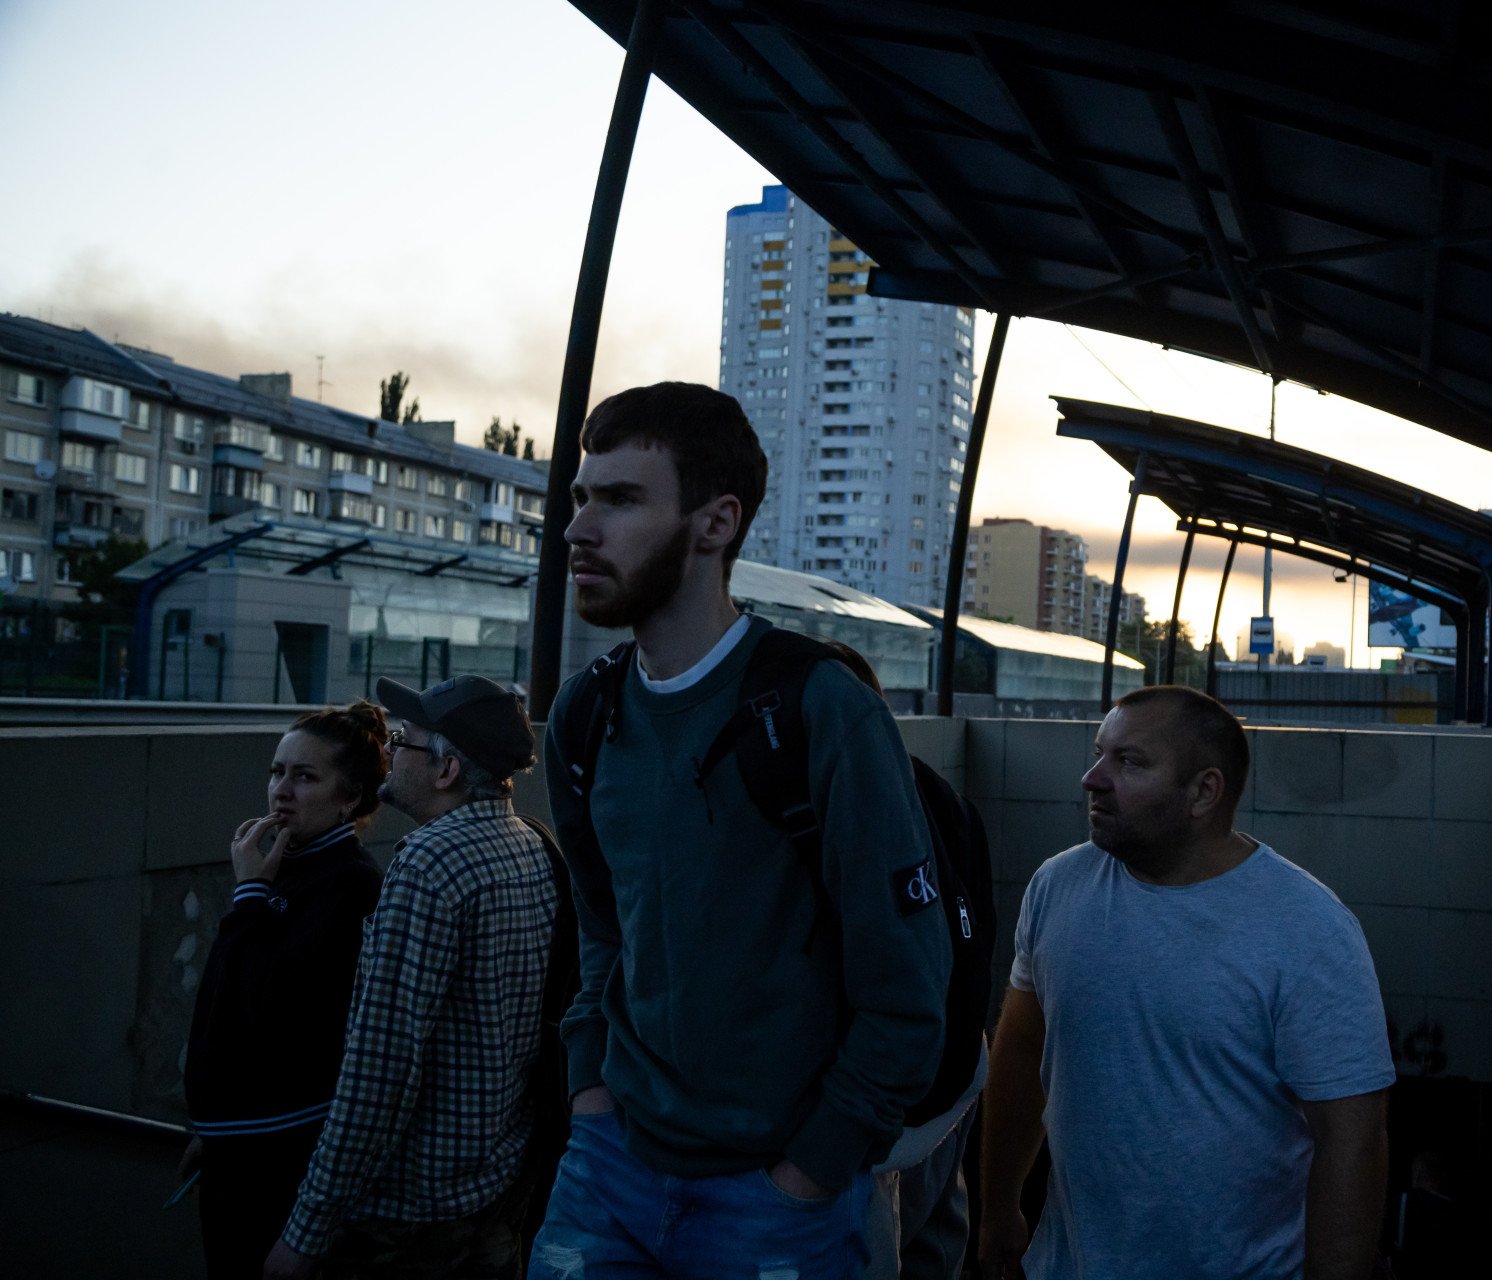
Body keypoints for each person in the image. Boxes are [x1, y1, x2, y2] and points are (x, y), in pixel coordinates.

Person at [530, 382, 949, 1279]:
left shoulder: (820, 709)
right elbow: (603, 923)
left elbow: (908, 983)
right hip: (611, 1169)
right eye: (581, 497)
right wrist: (591, 1092)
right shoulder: (586, 713)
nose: (578, 529)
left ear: (715, 524)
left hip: (775, 1193)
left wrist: (810, 1170)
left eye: (621, 499)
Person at [978, 685, 1395, 1280]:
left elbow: (1352, 1135)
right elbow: (1021, 1049)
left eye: (1129, 762)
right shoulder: (1058, 887)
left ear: (1204, 791)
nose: (1092, 778)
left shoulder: (1309, 929)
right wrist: (998, 1208)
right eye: (1100, 753)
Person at [262, 674, 557, 1280]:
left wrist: (305, 1231)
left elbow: (380, 1068)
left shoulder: (429, 863)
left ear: (446, 770)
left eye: (404, 740)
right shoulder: (530, 843)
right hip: (497, 1184)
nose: (389, 752)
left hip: (411, 1214)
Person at [180, 702, 388, 1280]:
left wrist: (250, 896)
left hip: (280, 1157)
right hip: (236, 1146)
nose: (281, 791)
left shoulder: (350, 887)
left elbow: (267, 1007)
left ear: (350, 799)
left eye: (305, 776)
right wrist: (212, 1126)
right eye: (277, 771)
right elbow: (222, 1004)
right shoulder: (284, 867)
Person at [820, 640, 990, 1280]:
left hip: (882, 1109)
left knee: (874, 1247)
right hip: (957, 1074)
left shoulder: (830, 801)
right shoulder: (941, 794)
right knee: (937, 1240)